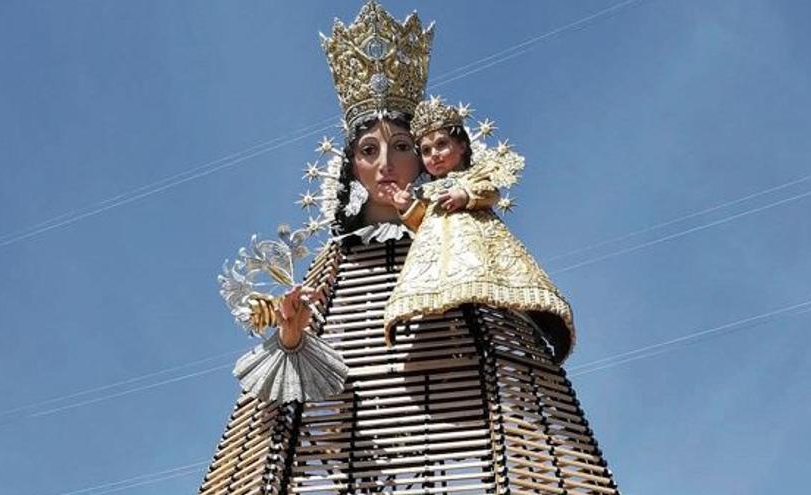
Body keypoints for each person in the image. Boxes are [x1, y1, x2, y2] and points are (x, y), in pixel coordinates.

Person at [201, 4, 617, 494]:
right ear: (351, 165)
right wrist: (291, 330)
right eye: (369, 151)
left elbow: (503, 374)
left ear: (424, 158)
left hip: (448, 424)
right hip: (358, 441)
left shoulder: (456, 242)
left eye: (401, 146)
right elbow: (295, 356)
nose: (386, 165)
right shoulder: (336, 262)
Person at [382, 97, 575, 356]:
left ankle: (544, 326)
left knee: (498, 281)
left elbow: (490, 191)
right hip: (436, 251)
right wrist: (406, 207)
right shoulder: (426, 190)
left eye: (441, 144)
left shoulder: (474, 176)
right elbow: (422, 221)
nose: (434, 155)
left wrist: (465, 195)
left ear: (461, 146)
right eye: (426, 151)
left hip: (476, 239)